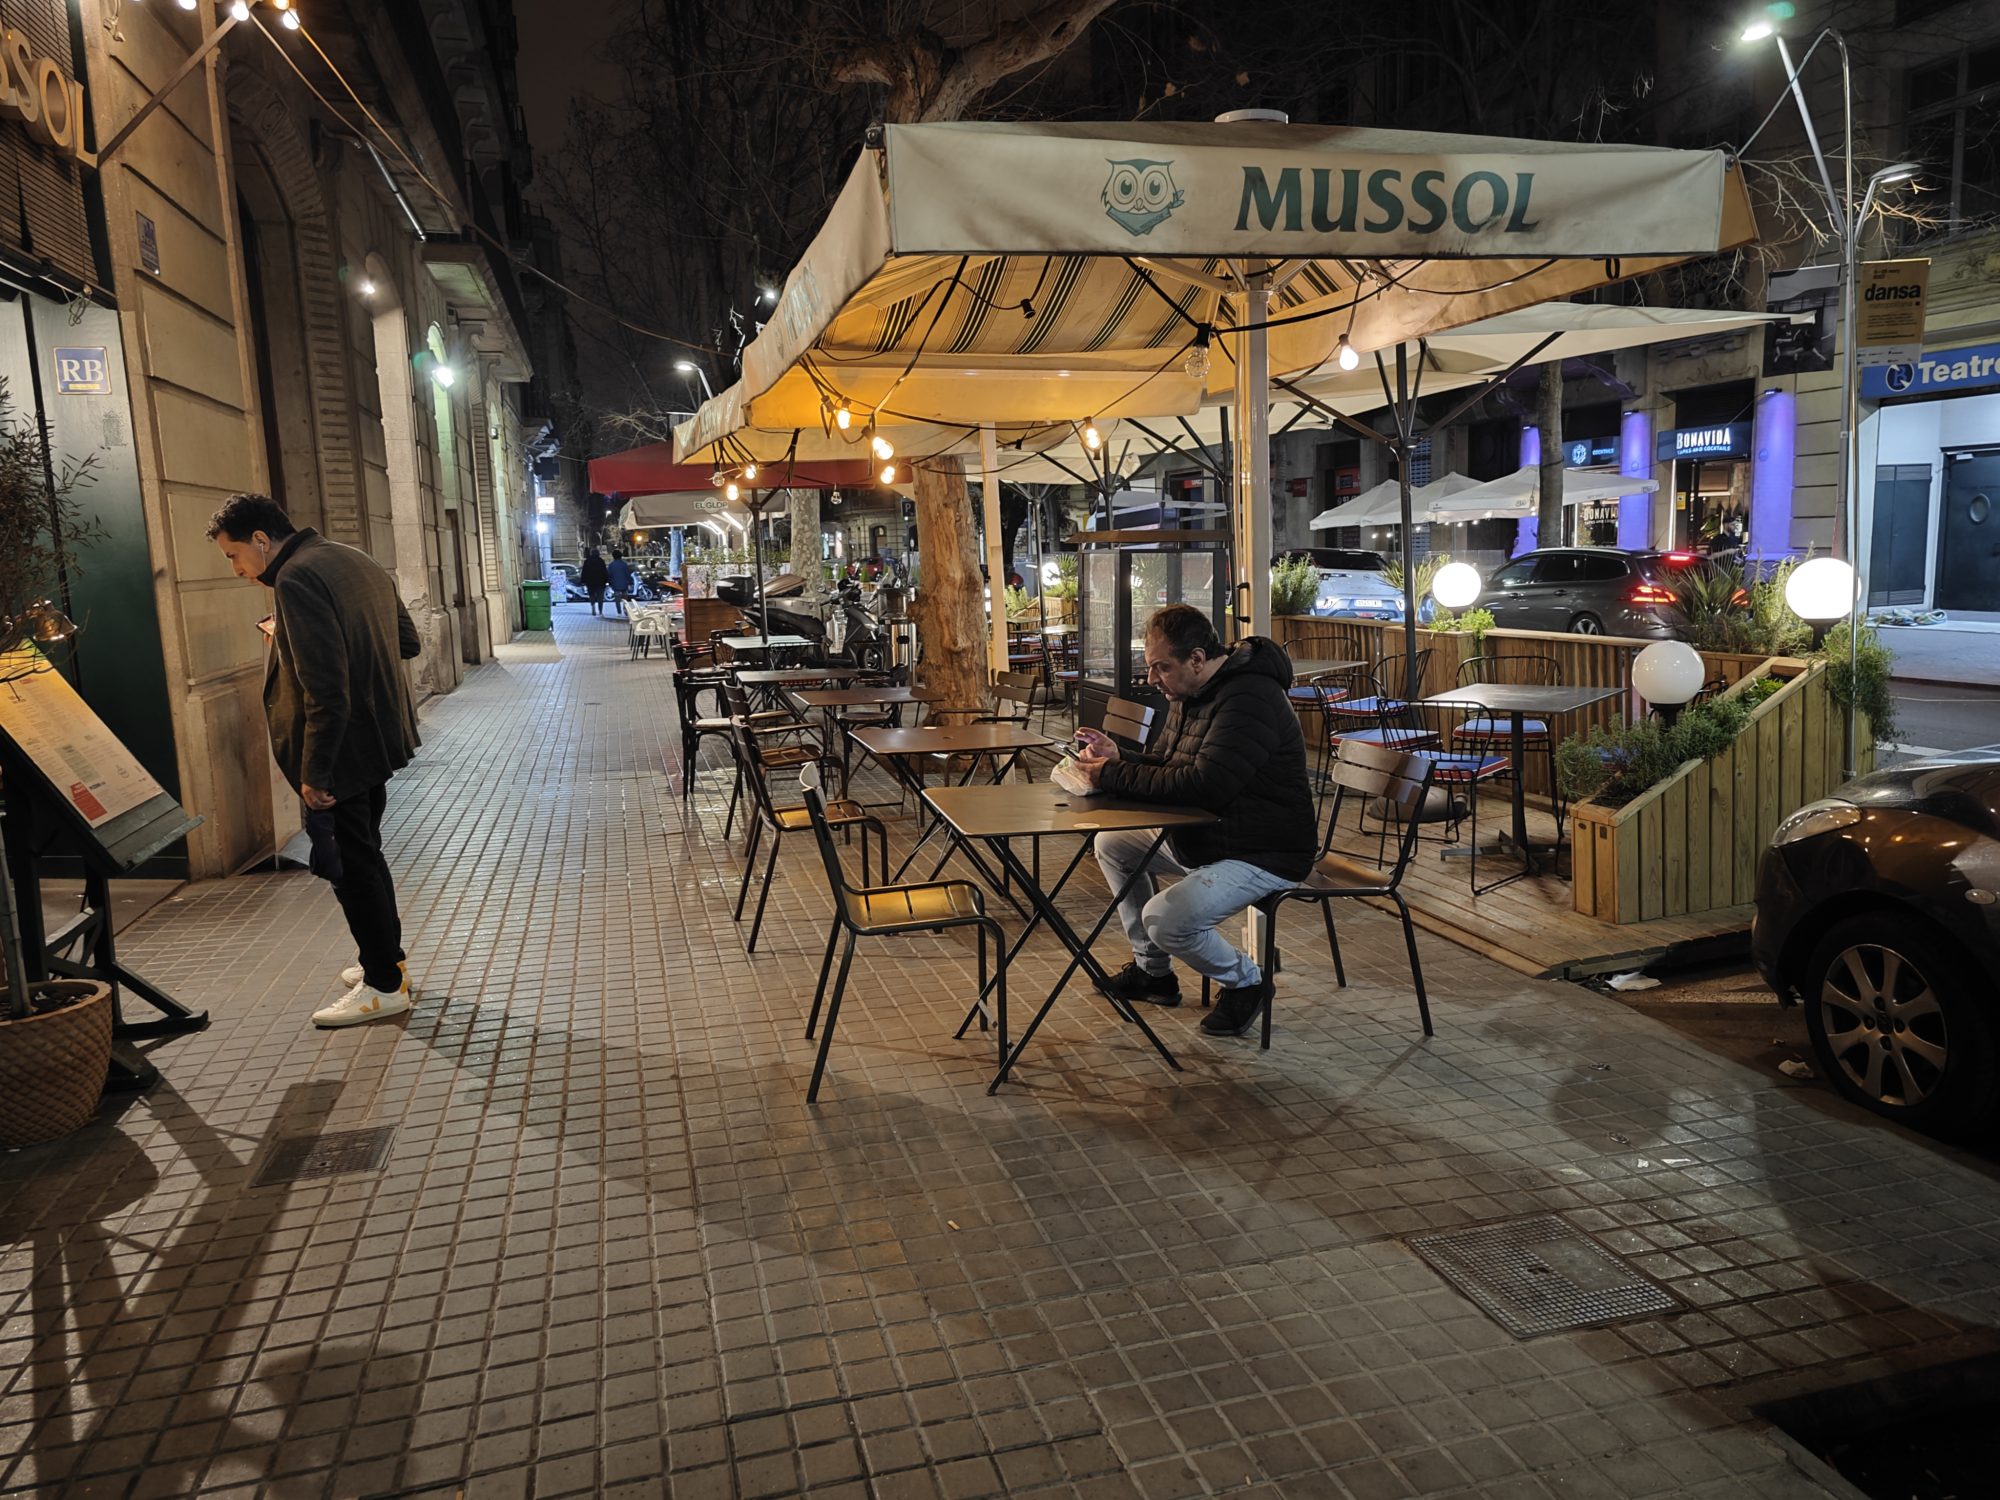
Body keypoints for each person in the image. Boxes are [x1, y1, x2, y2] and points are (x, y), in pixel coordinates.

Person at [209, 494, 423, 1029]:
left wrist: (315, 774)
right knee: (365, 856)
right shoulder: (355, 558)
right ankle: (387, 962)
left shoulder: (296, 579)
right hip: (375, 739)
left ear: (261, 540)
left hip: (340, 752)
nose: (236, 569)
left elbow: (325, 689)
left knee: (351, 867)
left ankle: (384, 985)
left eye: (234, 555)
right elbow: (407, 641)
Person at [1071, 605, 1316, 1038]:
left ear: (1197, 659)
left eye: (1161, 667)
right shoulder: (1192, 692)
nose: (1152, 678)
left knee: (1165, 919)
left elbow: (1204, 786)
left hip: (1265, 851)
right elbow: (1169, 766)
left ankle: (1247, 982)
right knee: (1112, 843)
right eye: (1150, 667)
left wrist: (1111, 775)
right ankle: (1153, 973)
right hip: (1209, 835)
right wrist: (1119, 757)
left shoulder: (1250, 698)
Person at [605, 549, 636, 615]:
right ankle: (625, 610)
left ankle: (619, 611)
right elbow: (627, 574)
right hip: (624, 584)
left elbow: (609, 575)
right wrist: (631, 582)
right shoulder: (624, 564)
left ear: (613, 556)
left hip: (615, 585)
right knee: (625, 599)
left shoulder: (611, 565)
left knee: (617, 599)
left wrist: (610, 583)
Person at [580, 547, 609, 614]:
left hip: (590, 582)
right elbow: (604, 571)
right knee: (600, 596)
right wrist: (606, 580)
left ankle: (593, 605)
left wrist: (583, 581)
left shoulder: (587, 561)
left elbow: (584, 572)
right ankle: (600, 610)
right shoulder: (601, 561)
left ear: (591, 553)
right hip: (600, 582)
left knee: (591, 595)